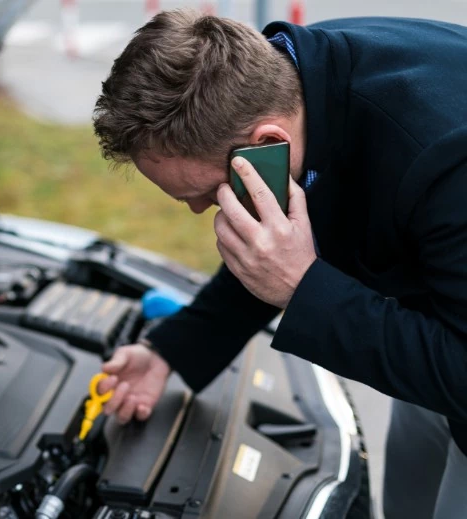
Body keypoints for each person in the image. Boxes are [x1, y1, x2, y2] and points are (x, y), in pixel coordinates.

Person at [92, 10, 467, 519]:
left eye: (205, 192)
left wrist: (304, 289)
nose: (202, 209)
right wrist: (172, 350)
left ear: (269, 146)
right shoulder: (294, 80)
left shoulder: (442, 157)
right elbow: (280, 245)